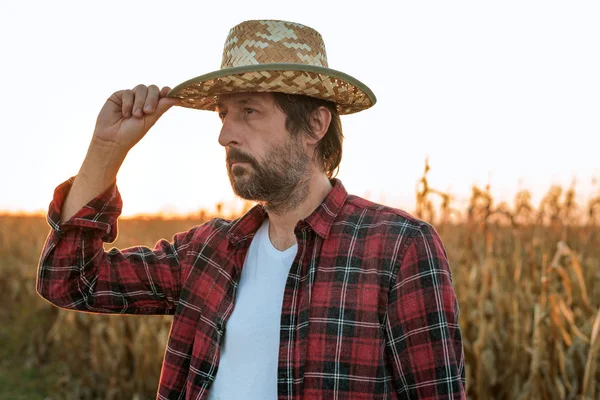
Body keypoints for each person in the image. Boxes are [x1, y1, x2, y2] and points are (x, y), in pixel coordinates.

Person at [37, 19, 466, 399]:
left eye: (249, 111)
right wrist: (106, 149)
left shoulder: (398, 248)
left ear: (315, 124)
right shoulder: (210, 252)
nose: (225, 135)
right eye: (223, 114)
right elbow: (71, 281)